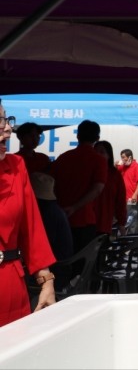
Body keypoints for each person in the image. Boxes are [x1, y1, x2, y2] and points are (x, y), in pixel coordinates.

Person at [0, 104, 56, 327]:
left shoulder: (16, 166)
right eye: (0, 121)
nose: (7, 128)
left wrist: (46, 280)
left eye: (6, 120)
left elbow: (31, 226)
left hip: (10, 287)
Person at [49, 120, 108, 253]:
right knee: (83, 261)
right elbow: (97, 189)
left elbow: (50, 185)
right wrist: (75, 207)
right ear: (97, 138)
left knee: (62, 259)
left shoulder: (63, 158)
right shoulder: (98, 160)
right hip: (85, 219)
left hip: (61, 217)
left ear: (78, 136)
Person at [94, 140, 127, 237]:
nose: (98, 155)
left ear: (109, 155)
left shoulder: (114, 174)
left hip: (105, 224)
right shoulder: (87, 172)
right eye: (95, 152)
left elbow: (120, 200)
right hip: (87, 223)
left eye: (102, 152)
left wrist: (121, 223)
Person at [116, 149, 138, 234]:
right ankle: (125, 235)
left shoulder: (137, 167)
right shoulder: (123, 166)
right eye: (121, 157)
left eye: (123, 157)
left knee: (132, 217)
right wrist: (115, 164)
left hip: (132, 197)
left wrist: (135, 194)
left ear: (129, 157)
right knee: (124, 217)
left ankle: (133, 236)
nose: (122, 159)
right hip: (123, 197)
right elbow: (115, 172)